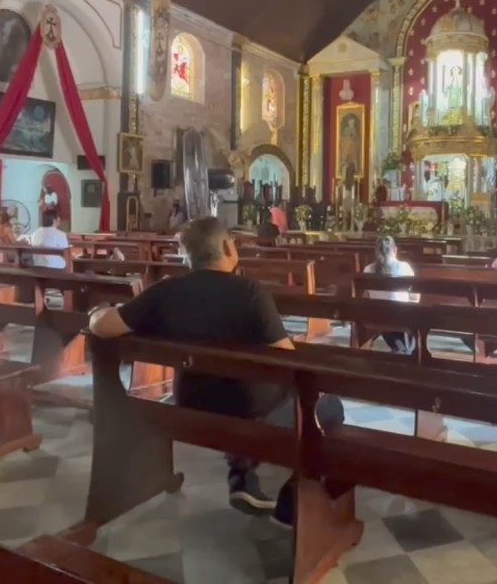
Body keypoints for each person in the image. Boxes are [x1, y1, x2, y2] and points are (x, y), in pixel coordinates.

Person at [87, 217, 344, 526]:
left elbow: (102, 326)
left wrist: (95, 313)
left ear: (188, 256)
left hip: (190, 403)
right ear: (226, 247)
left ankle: (243, 476)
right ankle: (291, 501)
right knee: (329, 406)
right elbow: (286, 363)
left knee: (254, 398)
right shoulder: (249, 292)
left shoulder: (165, 292)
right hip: (248, 413)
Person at [362, 235, 418, 354]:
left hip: (377, 316)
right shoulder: (404, 267)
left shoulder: (368, 269)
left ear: (376, 251)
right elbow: (415, 297)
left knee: (386, 312)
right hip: (400, 316)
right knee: (411, 309)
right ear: (395, 250)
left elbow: (366, 296)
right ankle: (405, 348)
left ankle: (400, 346)